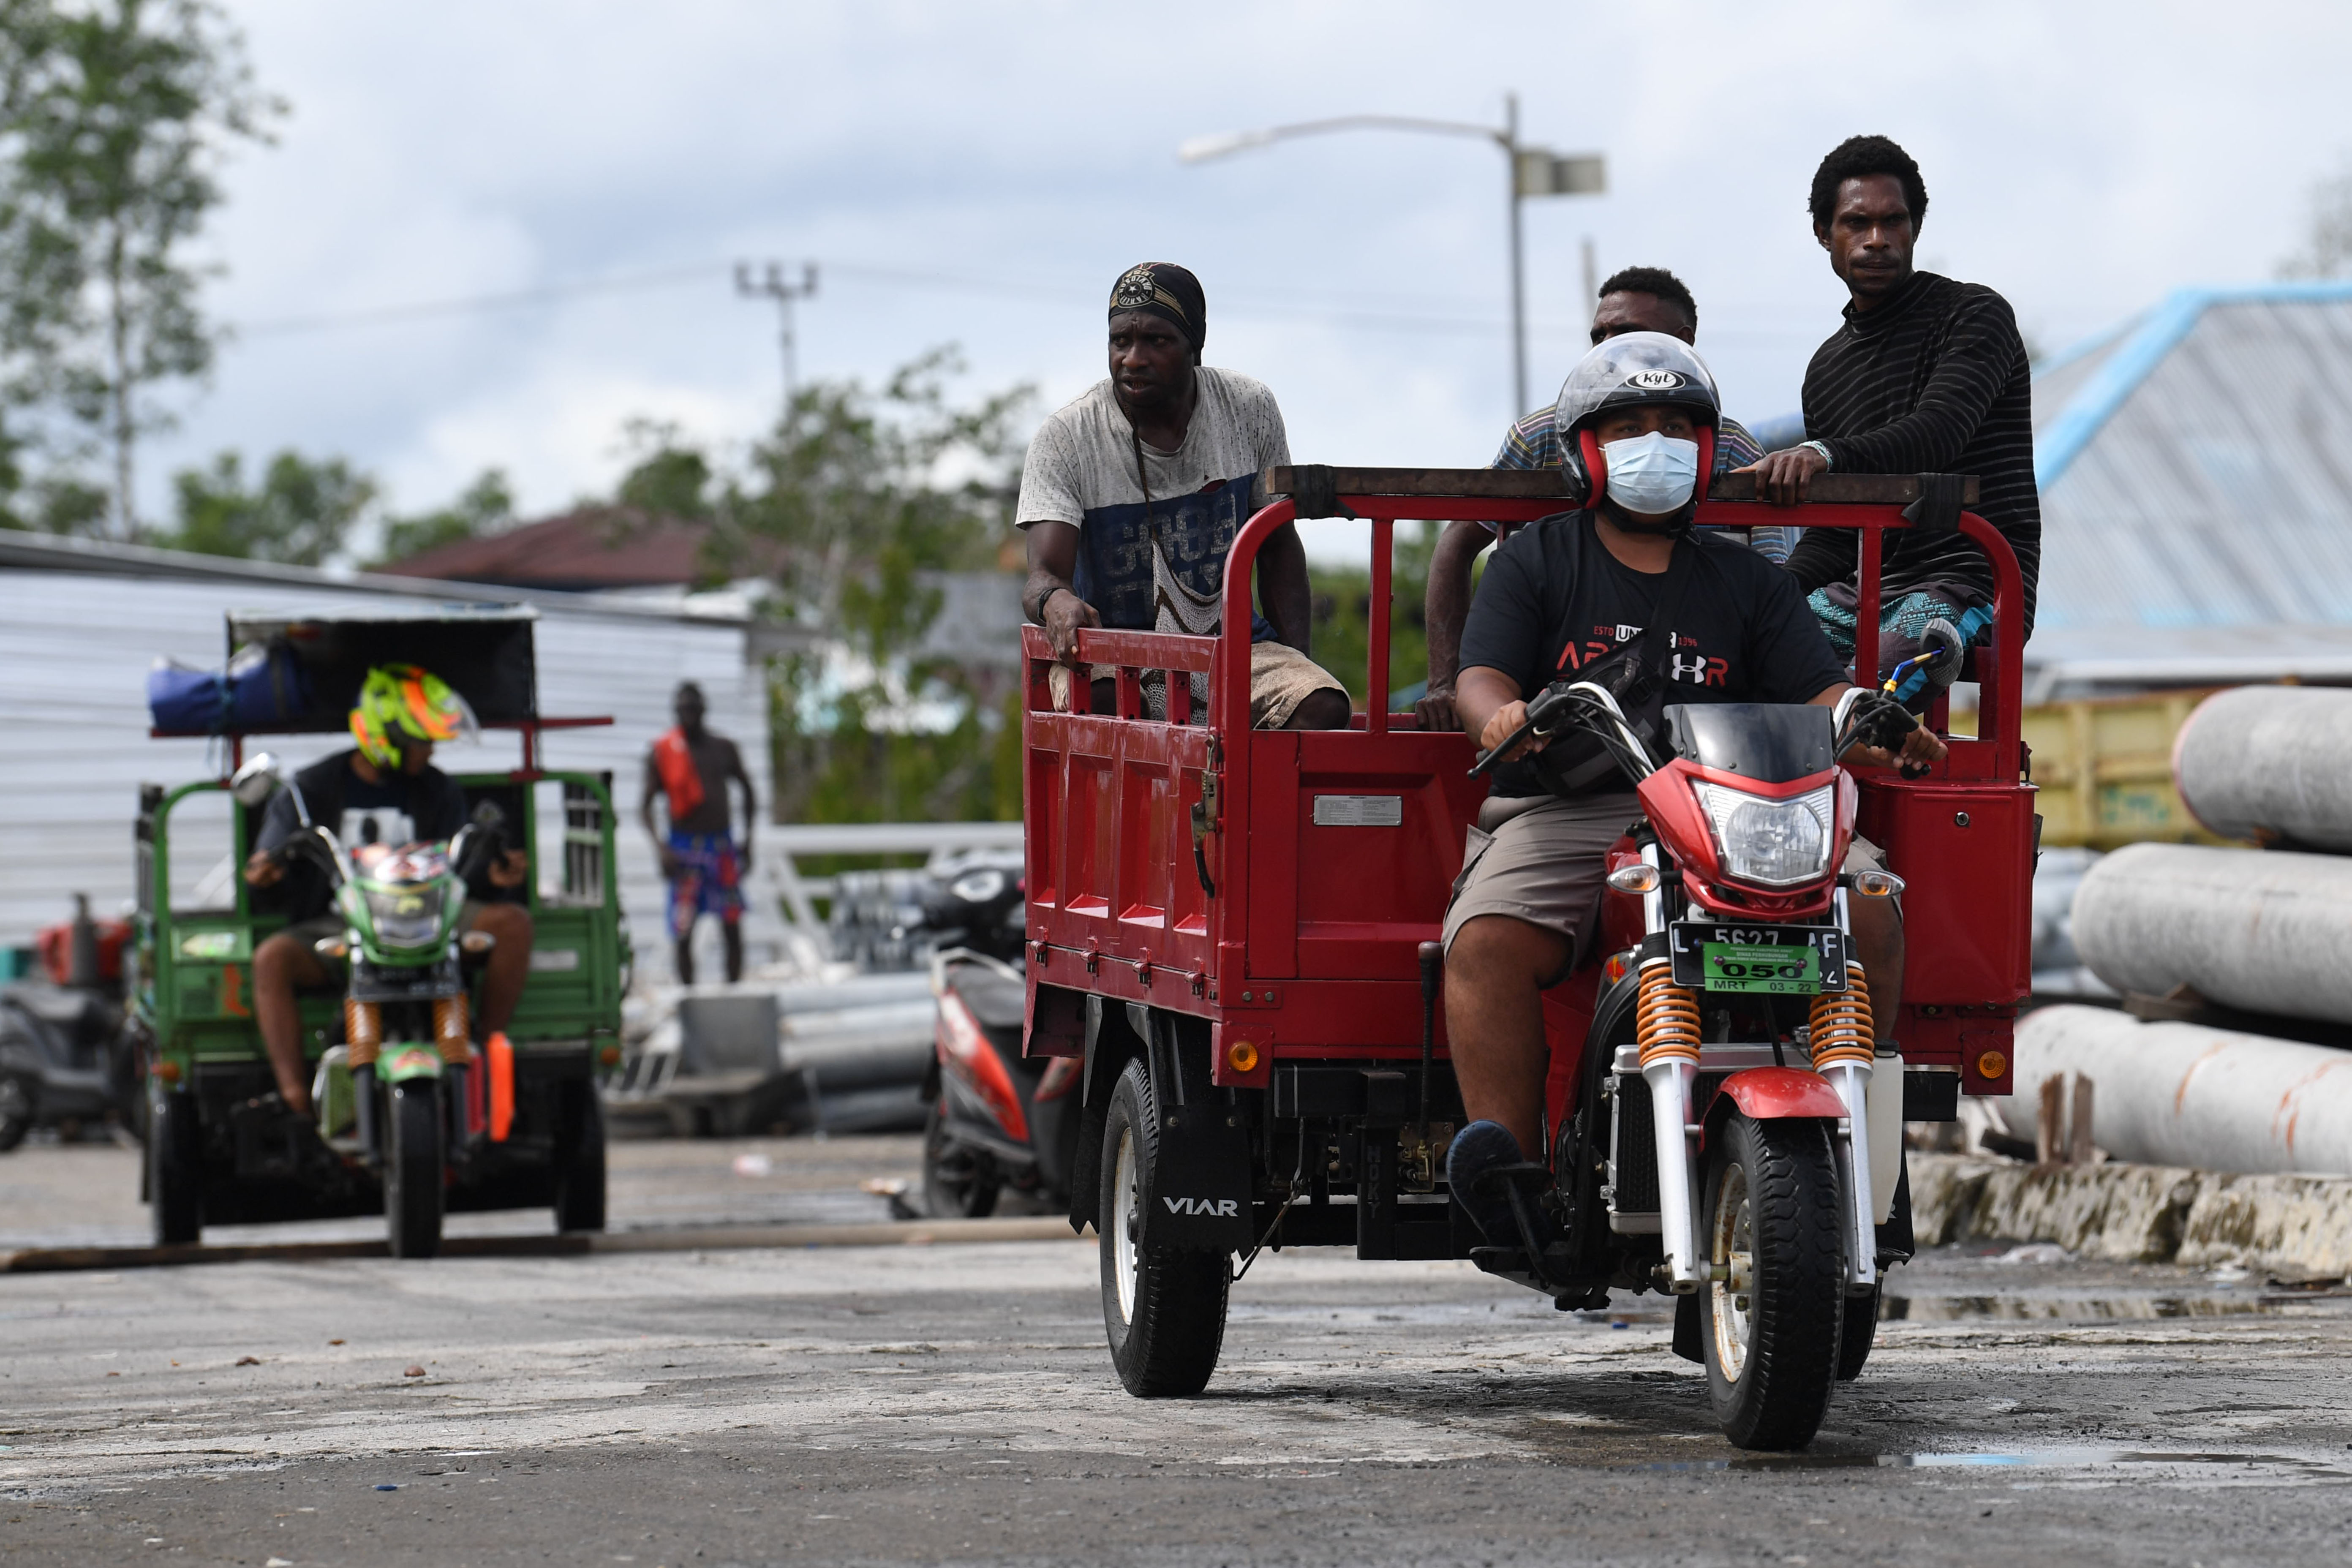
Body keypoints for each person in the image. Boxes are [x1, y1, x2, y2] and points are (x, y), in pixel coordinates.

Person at [1436, 333, 1946, 1244]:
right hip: (1572, 804)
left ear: (1709, 449)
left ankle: (1864, 1149)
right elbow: (1482, 674)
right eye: (1628, 425)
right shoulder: (1535, 559)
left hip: (1739, 809)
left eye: (1677, 426)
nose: (1656, 443)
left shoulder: (1747, 579)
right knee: (1484, 941)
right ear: (1585, 448)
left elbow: (1818, 691)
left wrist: (1875, 719)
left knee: (1870, 903)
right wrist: (1499, 714)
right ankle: (1516, 1192)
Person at [1744, 135, 2040, 706]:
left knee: (1862, 703)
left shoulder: (1974, 315)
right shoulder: (1826, 368)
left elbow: (1938, 433)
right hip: (1863, 592)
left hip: (1969, 582)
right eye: (1857, 223)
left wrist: (1823, 455)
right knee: (1745, 660)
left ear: (1915, 228)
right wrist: (1769, 594)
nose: (1876, 239)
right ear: (1823, 233)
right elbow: (1837, 529)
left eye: (1893, 221)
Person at [1419, 267, 1775, 732]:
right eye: (1599, 336)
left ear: (1683, 341)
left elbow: (1777, 573)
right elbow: (1459, 541)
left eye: (1626, 334)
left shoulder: (1734, 448)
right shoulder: (1541, 434)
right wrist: (1446, 684)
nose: (1607, 347)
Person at [1018, 261, 1350, 730]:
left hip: (1231, 649)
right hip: (1115, 653)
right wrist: (1055, 601)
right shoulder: (1067, 437)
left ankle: (1242, 782)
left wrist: (1297, 661)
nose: (1133, 358)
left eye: (1156, 341)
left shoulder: (1249, 407)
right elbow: (1043, 576)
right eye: (1120, 341)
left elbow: (1277, 547)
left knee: (1320, 705)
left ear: (1195, 345)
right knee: (1103, 700)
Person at [244, 665, 532, 1118]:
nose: (430, 749)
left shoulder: (437, 788)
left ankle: (483, 1058)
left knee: (513, 924)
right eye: (422, 740)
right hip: (344, 919)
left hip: (431, 915)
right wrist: (264, 869)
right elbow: (267, 859)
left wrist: (493, 876)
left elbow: (465, 867)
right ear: (386, 738)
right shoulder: (311, 788)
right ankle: (297, 1100)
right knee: (271, 959)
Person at [640, 681, 758, 985]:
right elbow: (645, 807)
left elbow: (748, 790)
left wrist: (748, 841)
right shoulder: (664, 752)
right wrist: (661, 849)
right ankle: (689, 996)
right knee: (683, 928)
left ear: (704, 710)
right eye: (683, 709)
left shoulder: (723, 748)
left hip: (721, 845)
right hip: (683, 848)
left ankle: (734, 991)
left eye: (693, 708)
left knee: (732, 924)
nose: (688, 715)